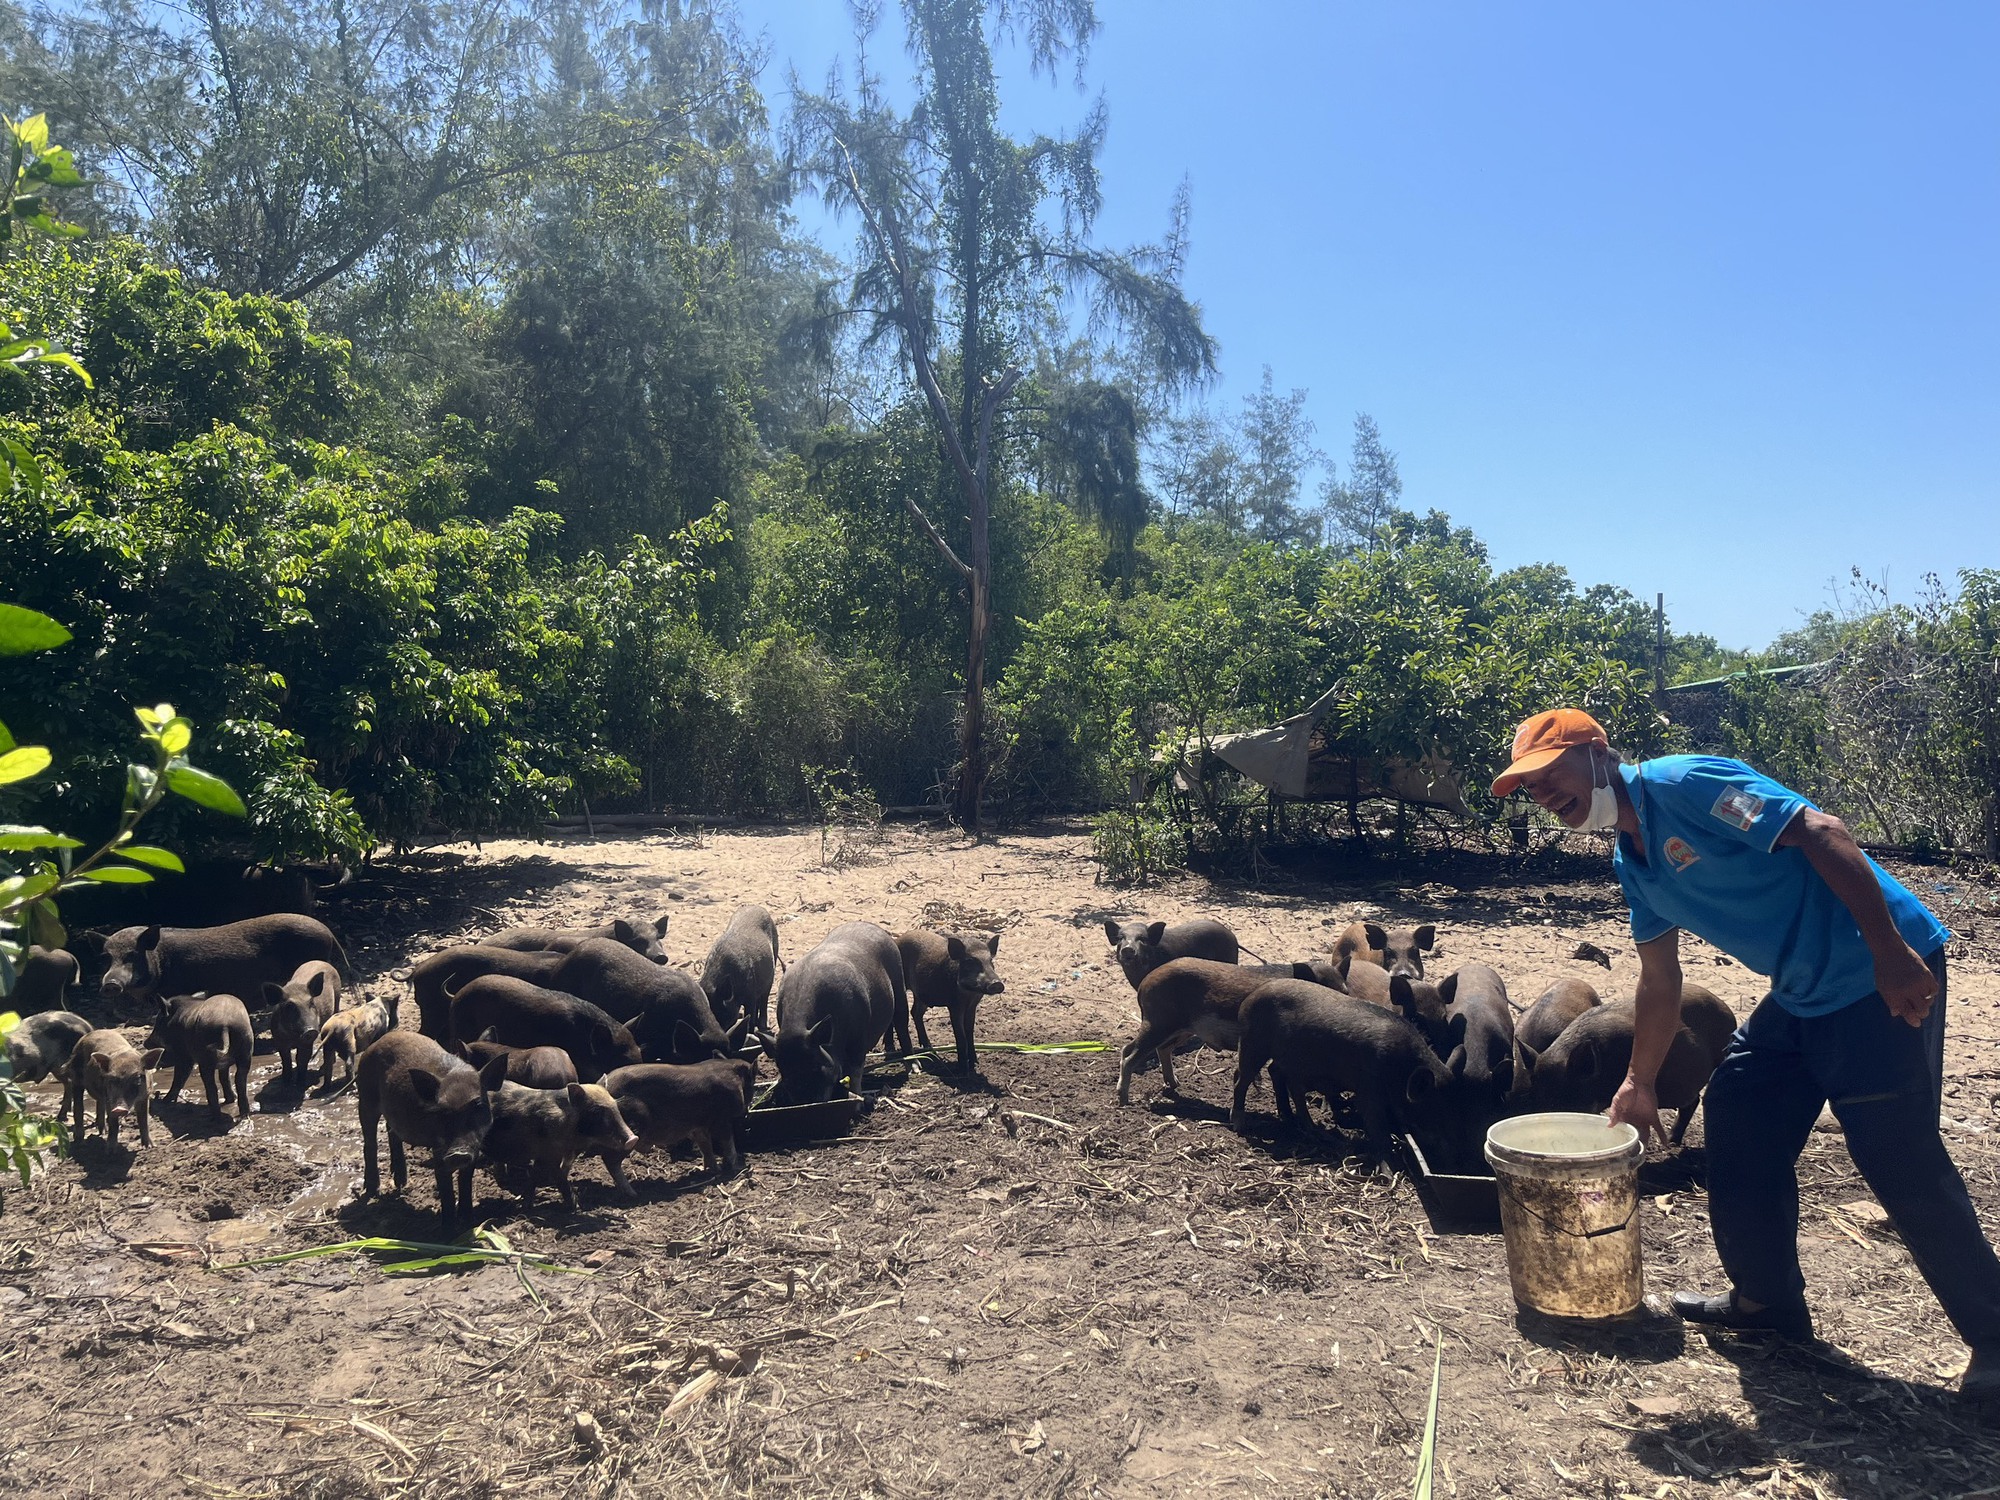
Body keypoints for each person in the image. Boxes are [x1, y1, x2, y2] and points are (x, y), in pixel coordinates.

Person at [1491, 708, 2000, 1401]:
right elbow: (1659, 980)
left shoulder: (1685, 783)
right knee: (1738, 1111)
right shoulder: (1633, 862)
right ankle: (1769, 1306)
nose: (1543, 794)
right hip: (1802, 990)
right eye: (1530, 788)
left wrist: (1890, 952)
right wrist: (1639, 1082)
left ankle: (1994, 1340)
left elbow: (1824, 832)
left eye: (1550, 774)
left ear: (1597, 754)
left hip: (1876, 970)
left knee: (1897, 1156)